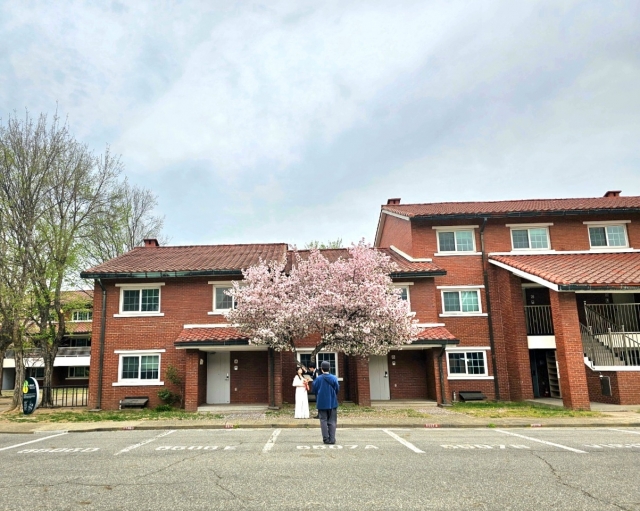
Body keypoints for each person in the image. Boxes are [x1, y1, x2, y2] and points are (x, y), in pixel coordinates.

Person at [310, 360, 339, 444]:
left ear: (321, 369)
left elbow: (314, 389)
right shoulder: (334, 378)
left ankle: (325, 439)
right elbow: (337, 389)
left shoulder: (318, 379)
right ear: (329, 368)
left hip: (321, 402)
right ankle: (332, 438)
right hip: (332, 402)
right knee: (332, 421)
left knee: (323, 420)